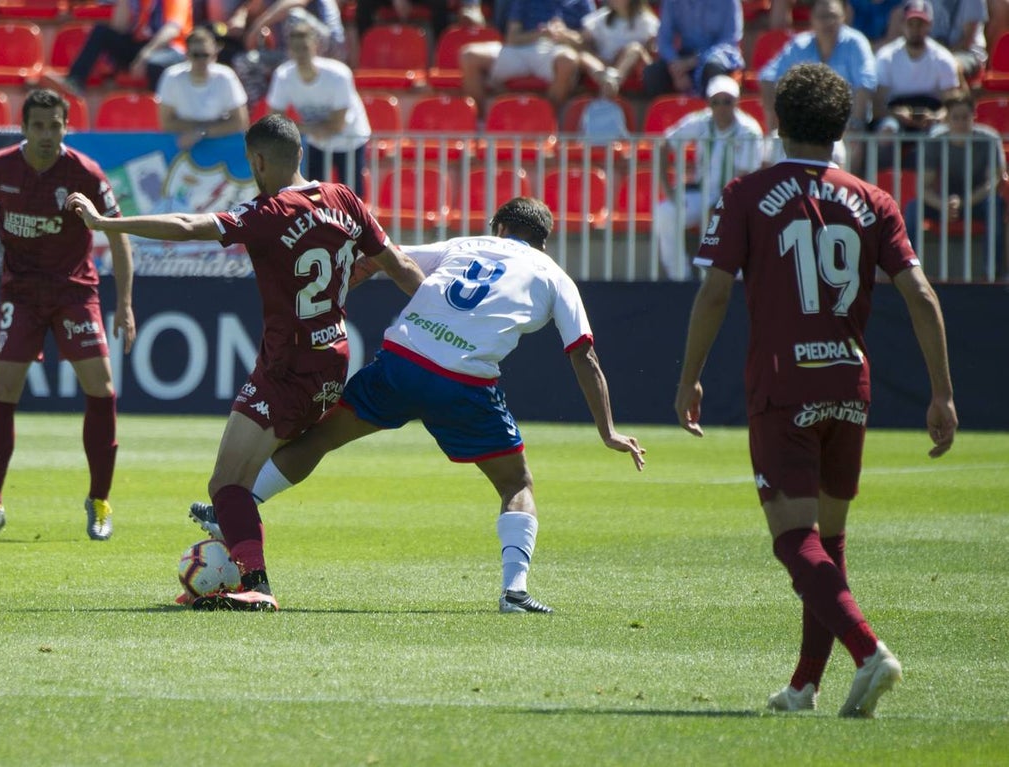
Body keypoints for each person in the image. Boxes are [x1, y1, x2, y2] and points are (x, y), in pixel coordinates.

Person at [189, 196, 647, 613]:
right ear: (543, 242)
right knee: (515, 483)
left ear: (500, 227)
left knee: (321, 438)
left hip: (401, 364)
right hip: (463, 386)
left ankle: (238, 508)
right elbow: (583, 354)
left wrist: (337, 299)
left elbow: (381, 258)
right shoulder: (555, 277)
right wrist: (607, 430)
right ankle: (515, 592)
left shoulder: (468, 244)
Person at [674, 62, 957, 718]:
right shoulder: (874, 200)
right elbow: (920, 294)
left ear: (777, 120)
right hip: (848, 382)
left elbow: (715, 292)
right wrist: (942, 392)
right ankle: (804, 686)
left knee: (791, 538)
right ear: (842, 125)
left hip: (784, 381)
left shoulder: (746, 193)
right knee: (827, 542)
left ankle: (868, 650)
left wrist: (689, 377)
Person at [66, 113, 427, 610]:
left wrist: (105, 223)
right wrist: (442, 327)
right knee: (260, 472)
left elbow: (188, 225)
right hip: (334, 360)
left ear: (256, 161)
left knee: (226, 483)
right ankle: (243, 562)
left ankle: (256, 584)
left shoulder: (269, 212)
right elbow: (401, 266)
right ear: (300, 154)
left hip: (288, 366)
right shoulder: (345, 199)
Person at [0, 89, 137, 543]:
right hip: (20, 293)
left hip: (73, 292)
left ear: (65, 127)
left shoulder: (85, 173)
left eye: (54, 126)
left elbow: (118, 235)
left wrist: (125, 303)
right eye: (38, 126)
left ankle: (99, 500)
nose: (46, 134)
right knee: (3, 388)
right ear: (23, 128)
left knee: (101, 387)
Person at [655, 74, 764, 280]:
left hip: (736, 199)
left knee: (722, 221)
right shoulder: (701, 121)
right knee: (666, 211)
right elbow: (665, 143)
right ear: (709, 103)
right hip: (701, 192)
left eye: (727, 101)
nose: (721, 107)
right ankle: (679, 278)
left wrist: (720, 204)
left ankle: (723, 282)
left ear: (736, 102)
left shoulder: (749, 131)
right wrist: (667, 189)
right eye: (716, 102)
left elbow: (746, 179)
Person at [903, 88, 1007, 281]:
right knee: (913, 208)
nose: (960, 123)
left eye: (965, 117)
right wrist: (943, 204)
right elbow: (922, 187)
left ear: (973, 116)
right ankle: (909, 274)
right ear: (947, 119)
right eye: (955, 118)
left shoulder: (989, 139)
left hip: (978, 202)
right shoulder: (935, 141)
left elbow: (993, 182)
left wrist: (964, 202)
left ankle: (992, 273)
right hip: (942, 203)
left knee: (995, 205)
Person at [265, 18, 370, 197]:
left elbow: (337, 125)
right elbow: (275, 121)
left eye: (304, 48)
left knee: (351, 197)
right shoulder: (283, 76)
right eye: (295, 48)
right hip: (316, 141)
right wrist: (313, 129)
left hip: (350, 139)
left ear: (315, 46)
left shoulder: (338, 75)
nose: (300, 54)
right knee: (312, 196)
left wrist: (299, 128)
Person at [758, 0, 876, 137]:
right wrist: (776, 126)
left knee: (854, 138)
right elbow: (767, 77)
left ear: (843, 17)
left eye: (833, 16)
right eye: (822, 16)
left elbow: (866, 83)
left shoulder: (856, 43)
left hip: (846, 127)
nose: (828, 22)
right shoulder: (799, 45)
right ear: (812, 18)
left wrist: (855, 124)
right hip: (806, 128)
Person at [459, 0, 595, 111]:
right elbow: (512, 37)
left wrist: (565, 35)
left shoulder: (583, 2)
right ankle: (483, 121)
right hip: (522, 47)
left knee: (568, 61)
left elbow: (590, 43)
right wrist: (541, 33)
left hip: (559, 49)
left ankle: (547, 118)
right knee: (469, 56)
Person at [211, 0, 346, 106]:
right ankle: (261, 113)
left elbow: (293, 3)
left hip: (328, 50)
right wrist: (241, 16)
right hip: (288, 56)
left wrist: (257, 27)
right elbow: (252, 7)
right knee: (244, 62)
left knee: (294, 15)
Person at [49, 0, 193, 94]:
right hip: (142, 46)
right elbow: (119, 27)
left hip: (171, 49)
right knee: (101, 32)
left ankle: (159, 110)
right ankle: (75, 81)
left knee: (154, 64)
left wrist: (145, 54)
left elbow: (172, 30)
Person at [872, 0, 958, 143]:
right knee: (887, 130)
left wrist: (936, 116)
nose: (915, 29)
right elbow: (877, 106)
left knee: (938, 135)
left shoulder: (943, 59)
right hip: (895, 117)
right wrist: (896, 114)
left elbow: (952, 104)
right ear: (902, 25)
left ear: (930, 25)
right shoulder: (886, 57)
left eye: (921, 24)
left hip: (932, 118)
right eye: (910, 23)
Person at [157, 27, 250, 151]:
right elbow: (167, 123)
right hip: (182, 146)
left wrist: (200, 133)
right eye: (196, 55)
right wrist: (209, 128)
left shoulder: (226, 77)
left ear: (214, 55)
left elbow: (240, 122)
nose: (201, 61)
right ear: (187, 55)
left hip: (221, 146)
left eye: (205, 55)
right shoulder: (172, 77)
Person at [641, 0, 743, 98]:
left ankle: (710, 109)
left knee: (712, 70)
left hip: (719, 57)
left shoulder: (728, 1)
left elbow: (729, 41)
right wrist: (675, 67)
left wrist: (694, 61)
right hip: (685, 57)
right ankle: (670, 109)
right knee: (653, 73)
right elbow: (664, 41)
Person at [578, 0, 659, 97]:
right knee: (584, 56)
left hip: (631, 68)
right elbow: (582, 42)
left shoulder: (647, 21)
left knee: (635, 49)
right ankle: (607, 83)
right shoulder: (599, 18)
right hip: (603, 65)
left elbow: (652, 54)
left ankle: (613, 82)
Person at [924, 0, 988, 82]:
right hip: (933, 54)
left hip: (967, 54)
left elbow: (967, 41)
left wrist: (939, 57)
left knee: (946, 68)